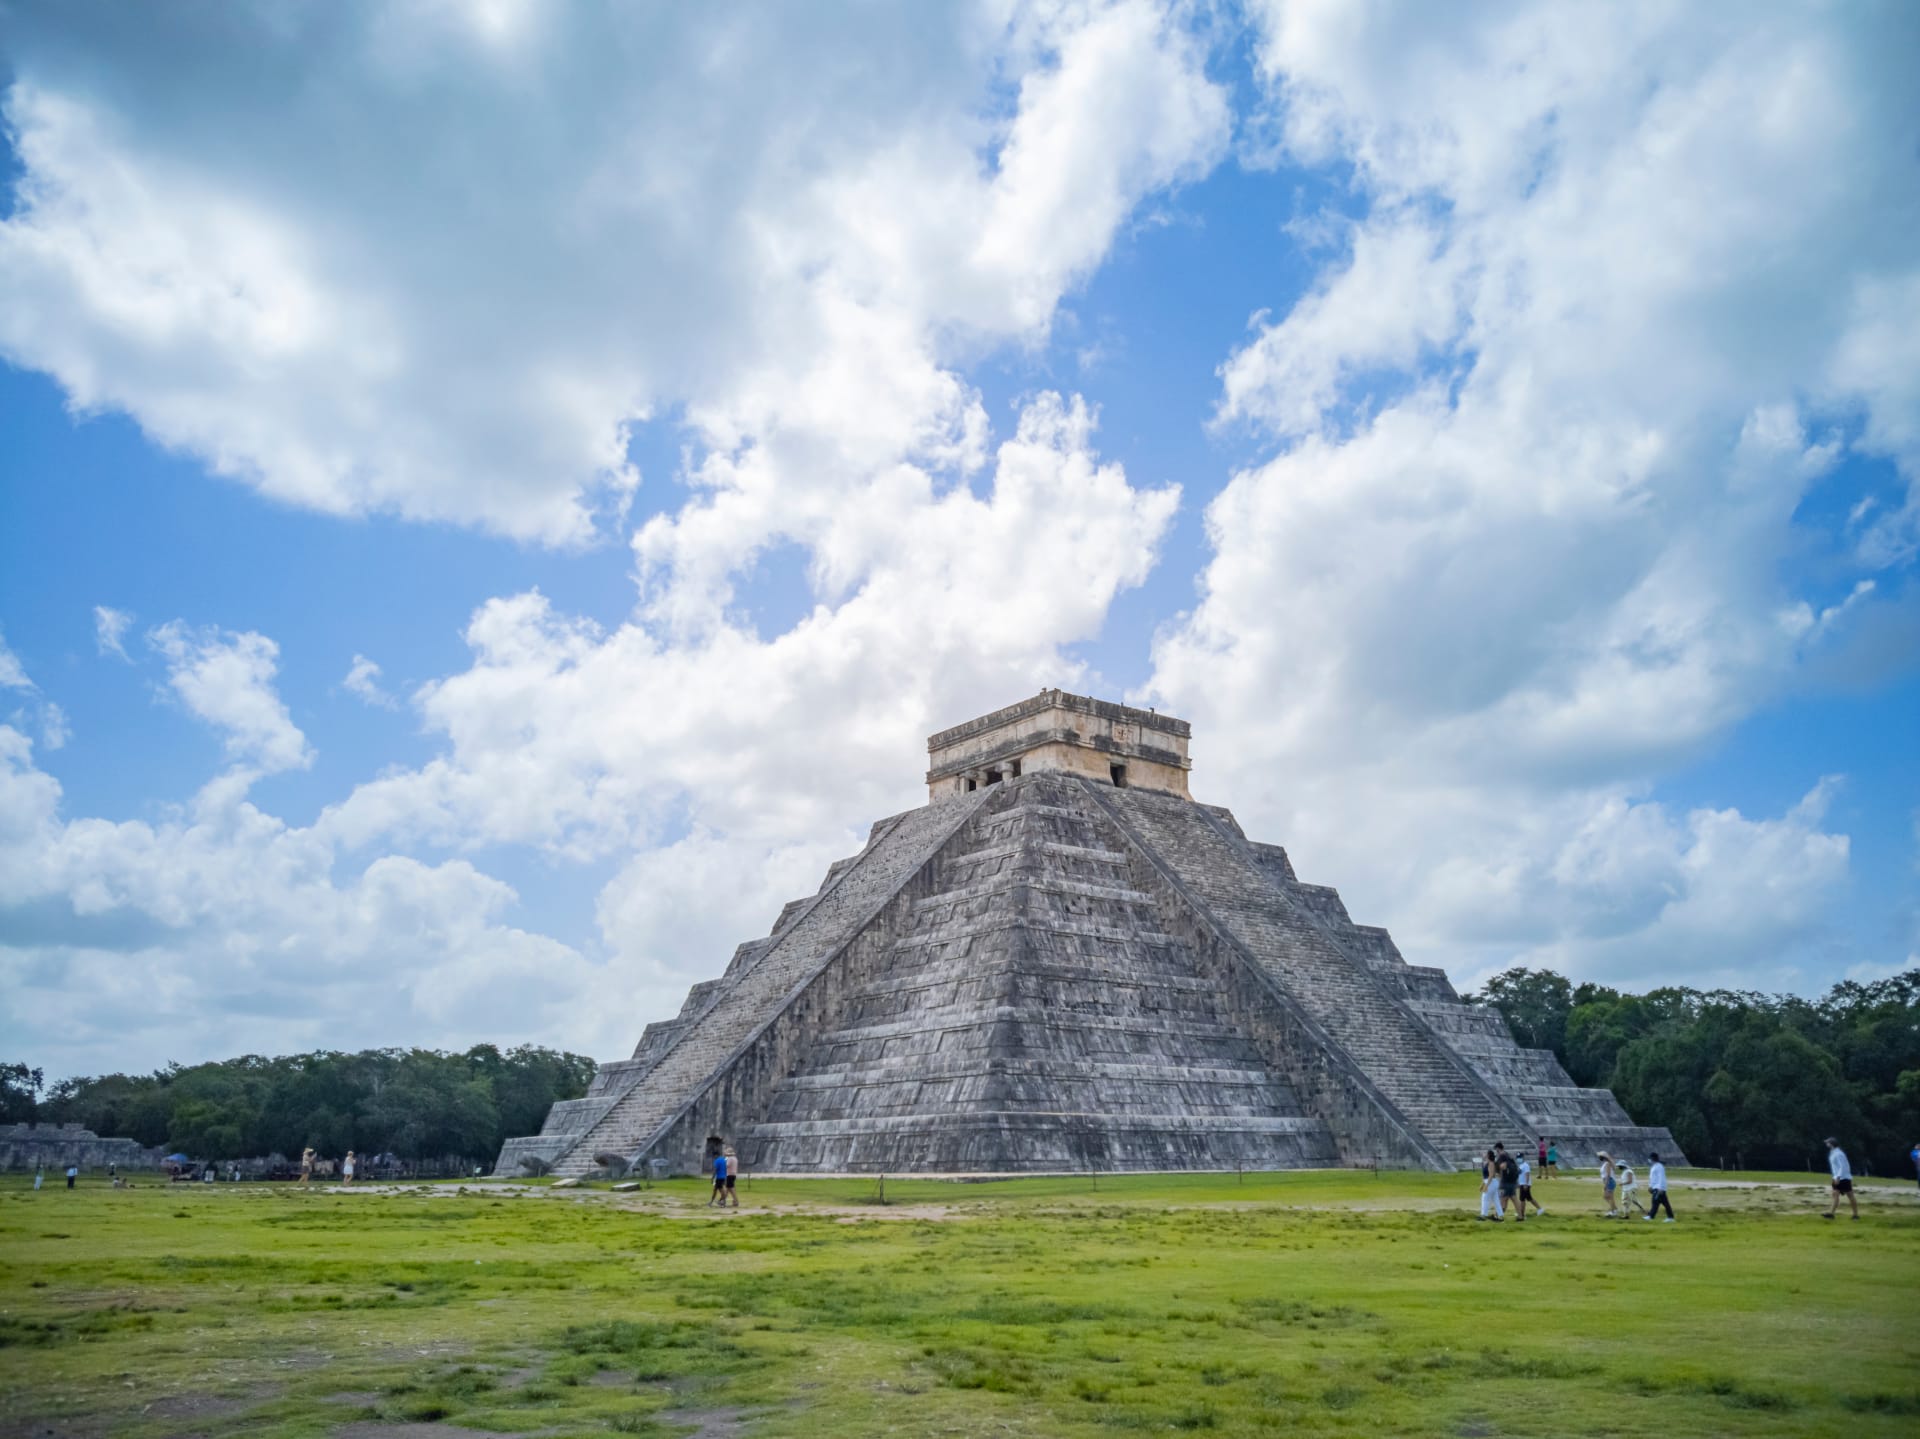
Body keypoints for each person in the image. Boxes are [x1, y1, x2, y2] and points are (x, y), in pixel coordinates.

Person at [1824, 1137, 1859, 1220]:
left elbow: (1842, 1166)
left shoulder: (1839, 1154)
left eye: (1827, 1143)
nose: (1826, 1144)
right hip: (1836, 1177)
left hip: (1843, 1178)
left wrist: (1838, 1177)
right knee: (1835, 1195)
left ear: (1831, 1144)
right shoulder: (1833, 1153)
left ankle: (1855, 1215)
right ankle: (1831, 1214)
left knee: (1850, 1196)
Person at [1644, 1152, 1674, 1222]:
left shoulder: (1659, 1166)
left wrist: (1661, 1188)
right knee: (1664, 1203)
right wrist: (1650, 1186)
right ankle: (1670, 1217)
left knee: (1655, 1202)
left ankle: (1651, 1216)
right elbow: (1653, 1178)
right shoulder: (1654, 1166)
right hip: (1655, 1187)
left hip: (1659, 1188)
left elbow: (1661, 1178)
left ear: (1652, 1159)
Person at [1495, 1143, 1520, 1220]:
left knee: (1502, 1198)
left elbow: (1502, 1168)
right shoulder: (1509, 1156)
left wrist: (1499, 1176)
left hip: (1505, 1182)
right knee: (1513, 1199)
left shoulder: (1502, 1157)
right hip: (1512, 1181)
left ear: (1498, 1149)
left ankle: (1498, 1216)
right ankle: (1521, 1215)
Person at [1478, 1148, 1500, 1220]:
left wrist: (1486, 1186)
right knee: (1495, 1199)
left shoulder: (1491, 1163)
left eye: (1485, 1153)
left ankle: (1483, 1215)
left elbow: (1491, 1175)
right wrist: (1482, 1184)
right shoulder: (1486, 1163)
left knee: (1485, 1198)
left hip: (1491, 1182)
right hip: (1489, 1182)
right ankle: (1500, 1214)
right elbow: (1485, 1177)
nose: (1483, 1154)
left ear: (1488, 1155)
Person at [1597, 1151, 1617, 1216]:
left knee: (1607, 1197)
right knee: (1609, 1197)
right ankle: (1614, 1209)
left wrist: (1606, 1184)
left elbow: (1608, 1175)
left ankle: (1613, 1211)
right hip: (1609, 1181)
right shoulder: (1606, 1163)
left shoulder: (1607, 1164)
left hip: (1609, 1181)